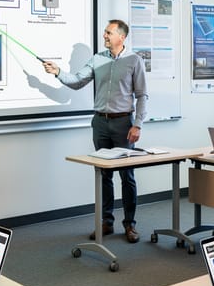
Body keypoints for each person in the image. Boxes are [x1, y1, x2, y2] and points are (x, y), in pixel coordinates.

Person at [43, 19, 148, 243]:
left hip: (123, 124)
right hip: (100, 123)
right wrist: (58, 71)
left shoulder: (134, 60)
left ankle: (130, 224)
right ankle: (106, 223)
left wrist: (137, 124)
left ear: (122, 37)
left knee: (126, 176)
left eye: (109, 33)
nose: (105, 36)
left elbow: (142, 95)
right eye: (105, 33)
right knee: (103, 174)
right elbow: (77, 81)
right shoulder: (97, 59)